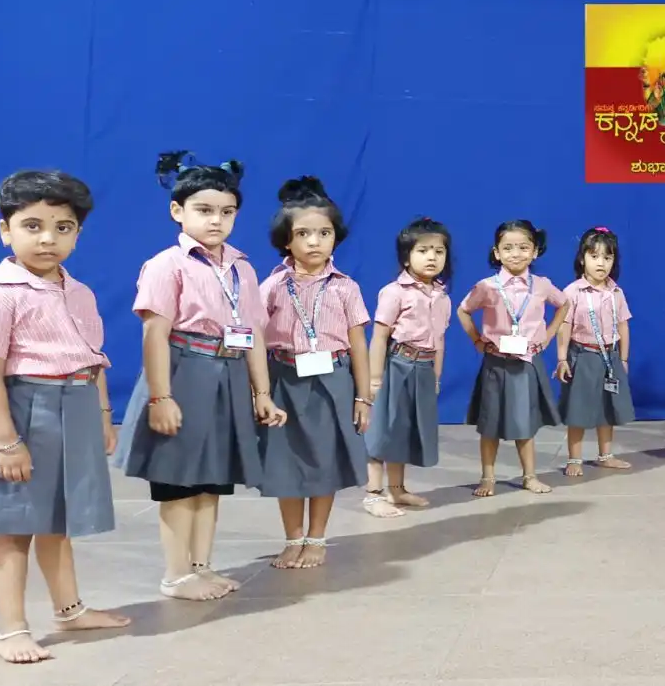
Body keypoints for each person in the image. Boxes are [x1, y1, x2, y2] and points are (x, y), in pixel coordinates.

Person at [0, 171, 130, 663]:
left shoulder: (80, 292)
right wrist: (7, 441)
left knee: (59, 520)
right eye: (32, 225)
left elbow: (92, 359)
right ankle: (12, 629)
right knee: (16, 527)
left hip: (75, 408)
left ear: (78, 234)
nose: (48, 238)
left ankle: (70, 609)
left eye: (63, 226)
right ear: (4, 231)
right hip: (25, 411)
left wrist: (102, 415)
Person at [115, 152, 287, 602]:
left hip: (228, 374)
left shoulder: (243, 268)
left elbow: (251, 333)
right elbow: (155, 333)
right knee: (177, 478)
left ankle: (201, 566)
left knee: (213, 476)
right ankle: (175, 573)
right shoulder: (166, 265)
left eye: (227, 212)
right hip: (183, 371)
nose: (217, 221)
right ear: (179, 211)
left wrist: (261, 391)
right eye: (204, 210)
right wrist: (160, 396)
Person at [256, 178, 372, 568]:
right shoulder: (271, 286)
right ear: (285, 240)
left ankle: (317, 537)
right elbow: (254, 338)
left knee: (324, 461)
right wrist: (260, 391)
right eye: (303, 234)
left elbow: (358, 343)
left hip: (332, 381)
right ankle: (293, 538)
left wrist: (363, 395)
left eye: (324, 233)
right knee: (286, 463)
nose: (314, 242)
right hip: (284, 379)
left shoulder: (346, 288)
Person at [457, 220, 567, 495]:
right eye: (507, 248)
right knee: (490, 424)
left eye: (522, 247)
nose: (515, 254)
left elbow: (565, 304)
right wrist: (477, 341)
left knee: (525, 422)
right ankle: (488, 478)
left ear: (534, 252)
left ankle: (530, 476)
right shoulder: (487, 286)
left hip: (526, 363)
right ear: (496, 252)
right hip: (495, 362)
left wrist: (549, 334)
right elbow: (463, 310)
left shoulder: (541, 285)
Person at [364, 217, 452, 518]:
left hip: (424, 368)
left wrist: (437, 375)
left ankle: (398, 489)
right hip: (396, 365)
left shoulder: (442, 296)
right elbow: (378, 337)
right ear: (406, 256)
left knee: (403, 430)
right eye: (423, 250)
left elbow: (439, 339)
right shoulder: (394, 292)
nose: (432, 257)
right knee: (382, 429)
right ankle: (373, 493)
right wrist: (374, 378)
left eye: (439, 252)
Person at [555, 226, 636, 476]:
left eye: (607, 257)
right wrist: (561, 358)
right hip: (583, 355)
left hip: (609, 357)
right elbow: (564, 326)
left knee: (607, 408)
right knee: (578, 410)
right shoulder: (573, 292)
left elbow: (623, 324)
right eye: (594, 256)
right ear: (582, 259)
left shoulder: (616, 292)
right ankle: (575, 458)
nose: (601, 263)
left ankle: (605, 455)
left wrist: (623, 357)